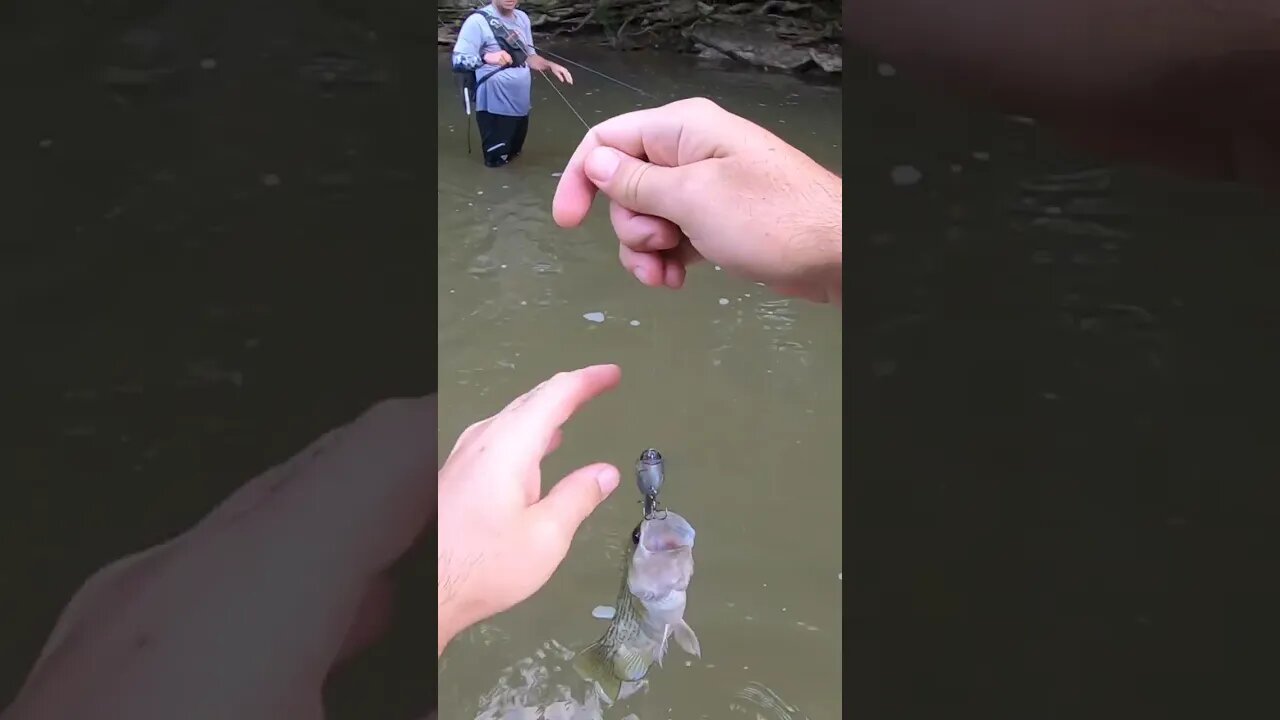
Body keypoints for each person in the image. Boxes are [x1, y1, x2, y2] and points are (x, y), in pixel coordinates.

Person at [6, 4, 1278, 713]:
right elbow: (479, 63)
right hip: (503, 125)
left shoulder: (510, 21)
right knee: (503, 162)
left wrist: (544, 59)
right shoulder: (473, 35)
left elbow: (515, 48)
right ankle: (500, 179)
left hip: (534, 115)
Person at [451, 0, 574, 168]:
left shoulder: (522, 18)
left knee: (515, 155)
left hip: (520, 105)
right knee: (496, 163)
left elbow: (529, 57)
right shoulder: (476, 22)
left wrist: (551, 66)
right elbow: (458, 60)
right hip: (494, 108)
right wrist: (486, 58)